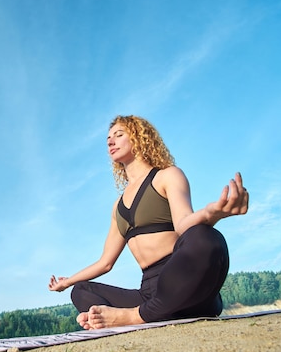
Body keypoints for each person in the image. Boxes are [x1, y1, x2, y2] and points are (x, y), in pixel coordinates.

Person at [48, 115, 249, 330]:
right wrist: (67, 282)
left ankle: (135, 317)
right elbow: (106, 262)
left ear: (138, 138)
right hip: (149, 294)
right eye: (108, 138)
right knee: (81, 291)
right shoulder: (118, 206)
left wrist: (211, 213)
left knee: (206, 237)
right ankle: (147, 313)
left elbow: (183, 225)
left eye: (119, 134)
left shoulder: (167, 176)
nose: (110, 141)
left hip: (181, 278)